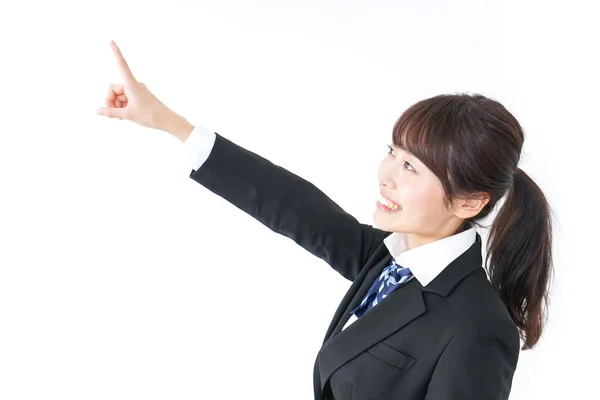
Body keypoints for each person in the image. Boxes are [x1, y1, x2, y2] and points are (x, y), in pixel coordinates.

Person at [97, 40, 555, 400]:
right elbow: (292, 205)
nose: (386, 177)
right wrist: (168, 123)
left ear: (469, 203)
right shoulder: (389, 258)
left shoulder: (477, 327)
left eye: (411, 168)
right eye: (393, 154)